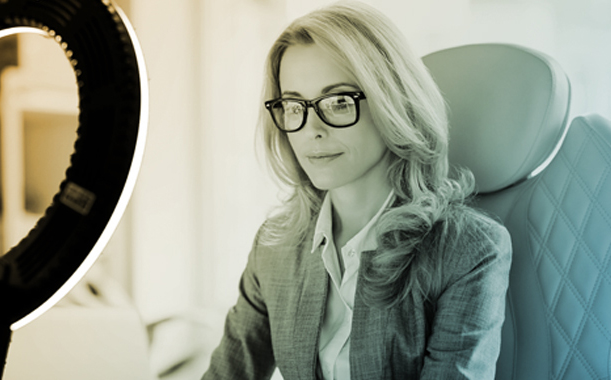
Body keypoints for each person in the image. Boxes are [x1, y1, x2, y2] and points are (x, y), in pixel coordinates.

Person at [201, 2, 512, 379]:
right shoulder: (274, 248)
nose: (312, 128)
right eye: (294, 104)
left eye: (338, 102)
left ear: (391, 103)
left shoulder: (468, 250)